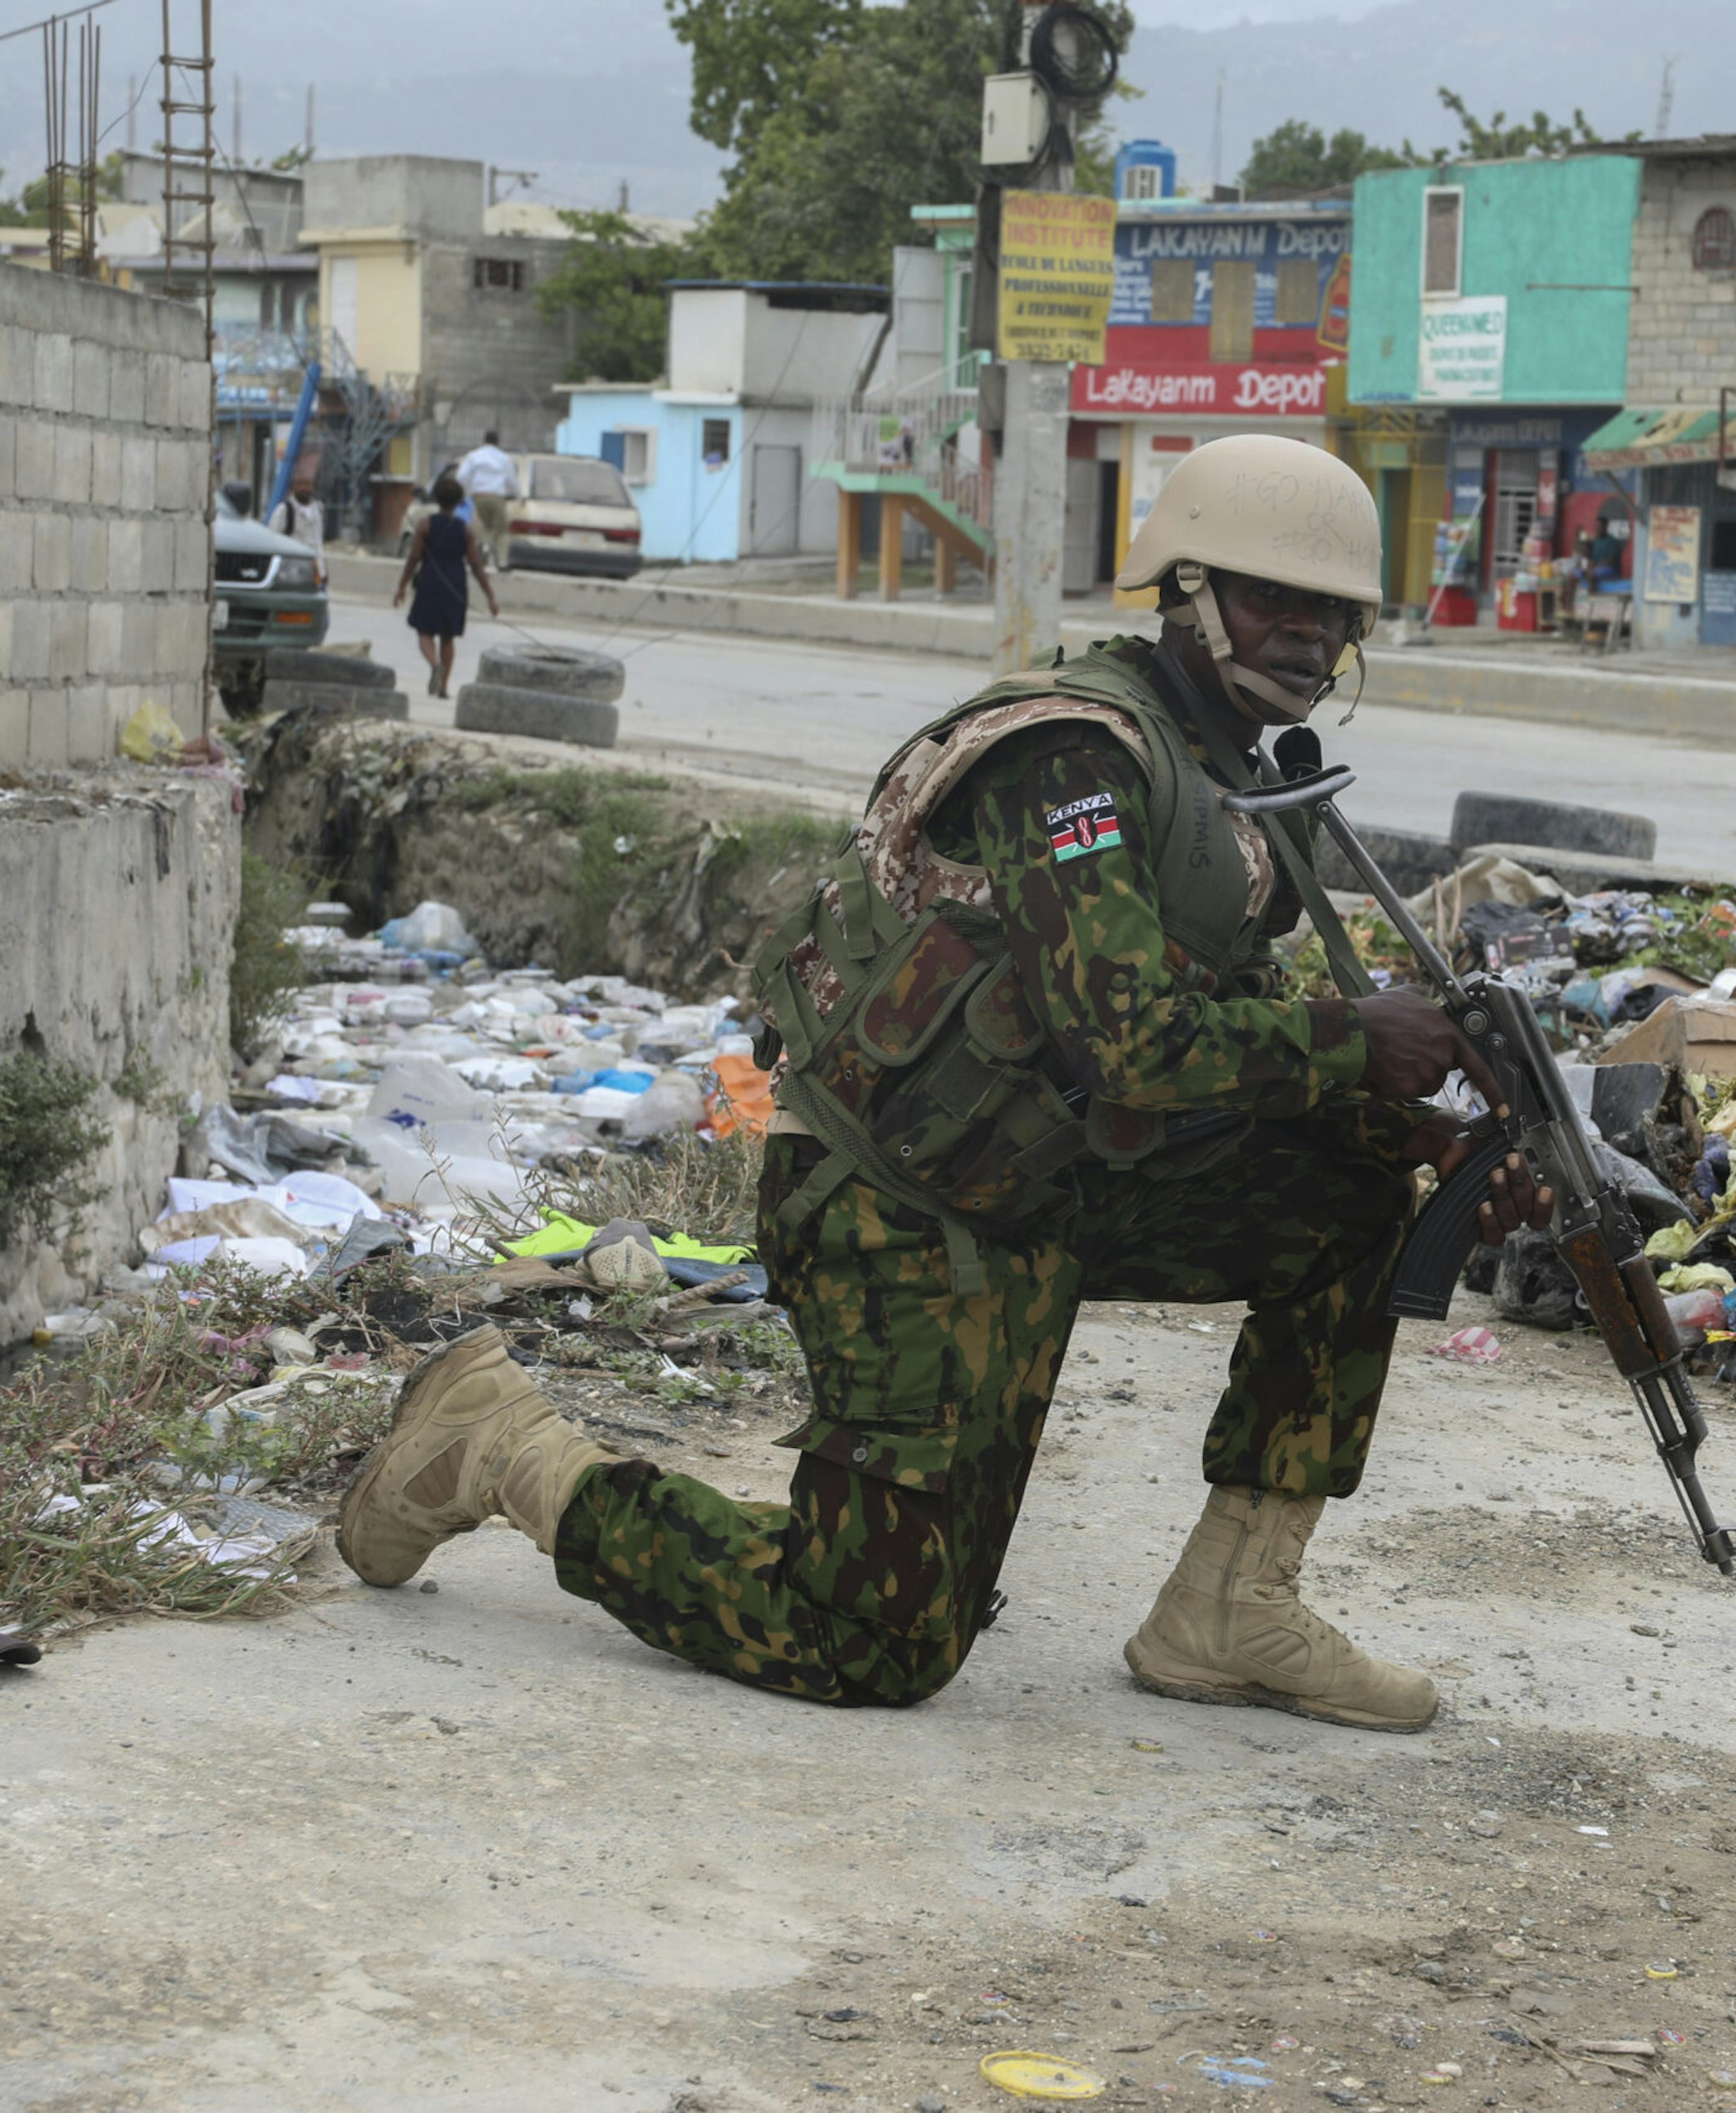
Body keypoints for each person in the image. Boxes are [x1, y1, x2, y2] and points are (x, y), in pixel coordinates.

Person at [338, 434, 1554, 1733]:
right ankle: (504, 1446)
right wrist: (1354, 1042)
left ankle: (1233, 1604)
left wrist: (1400, 1121)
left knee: (1357, 1192)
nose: (1310, 639)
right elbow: (1130, 1040)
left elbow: (1227, 1017)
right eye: (1274, 603)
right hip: (898, 1204)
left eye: (1336, 614)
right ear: (1186, 594)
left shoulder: (1237, 780)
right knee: (871, 1639)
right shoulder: (1070, 759)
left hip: (1051, 1178)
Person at [390, 469, 495, 698]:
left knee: (424, 632)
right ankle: (444, 687)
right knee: (448, 637)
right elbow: (476, 565)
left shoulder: (425, 525)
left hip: (429, 581)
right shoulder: (465, 530)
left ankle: (434, 664)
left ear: (436, 499)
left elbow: (414, 558)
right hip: (456, 584)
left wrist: (401, 587)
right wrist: (490, 596)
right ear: (459, 502)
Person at [460, 430, 519, 571]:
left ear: (484, 440)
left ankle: (485, 548)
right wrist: (518, 495)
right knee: (502, 530)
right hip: (496, 497)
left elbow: (462, 475)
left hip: (479, 496)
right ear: (498, 442)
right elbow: (512, 479)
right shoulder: (504, 458)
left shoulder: (473, 456)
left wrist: (465, 493)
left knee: (486, 526)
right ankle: (503, 562)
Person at [266, 470, 325, 558]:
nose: (304, 488)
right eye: (299, 484)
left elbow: (318, 542)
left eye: (307, 484)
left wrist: (322, 568)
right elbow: (272, 538)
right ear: (293, 487)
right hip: (291, 565)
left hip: (313, 564)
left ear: (313, 486)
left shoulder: (318, 509)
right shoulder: (284, 510)